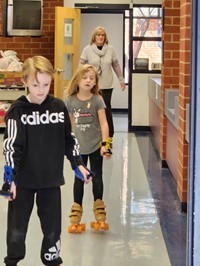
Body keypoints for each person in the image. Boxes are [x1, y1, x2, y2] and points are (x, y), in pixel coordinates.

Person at [1, 55, 91, 266]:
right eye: (35, 84)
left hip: (50, 182)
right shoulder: (17, 112)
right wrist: (9, 179)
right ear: (24, 82)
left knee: (52, 229)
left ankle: (51, 260)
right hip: (22, 182)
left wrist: (78, 164)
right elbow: (12, 147)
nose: (41, 90)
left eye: (46, 84)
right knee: (16, 229)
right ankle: (12, 262)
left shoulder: (58, 108)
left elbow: (69, 140)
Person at [64, 64, 112, 232]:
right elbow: (67, 125)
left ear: (95, 82)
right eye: (84, 77)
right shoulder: (69, 101)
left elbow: (105, 123)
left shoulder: (97, 99)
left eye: (91, 78)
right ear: (77, 79)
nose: (88, 80)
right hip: (78, 148)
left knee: (97, 178)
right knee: (79, 179)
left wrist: (106, 145)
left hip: (95, 146)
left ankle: (99, 210)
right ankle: (76, 212)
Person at [79, 26, 126, 141]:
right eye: (98, 34)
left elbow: (116, 65)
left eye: (102, 35)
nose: (100, 37)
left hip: (107, 85)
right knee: (91, 109)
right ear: (94, 37)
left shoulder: (110, 49)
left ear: (105, 37)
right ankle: (93, 134)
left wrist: (121, 79)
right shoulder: (87, 49)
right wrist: (79, 80)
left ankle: (109, 136)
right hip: (91, 85)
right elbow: (81, 66)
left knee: (106, 109)